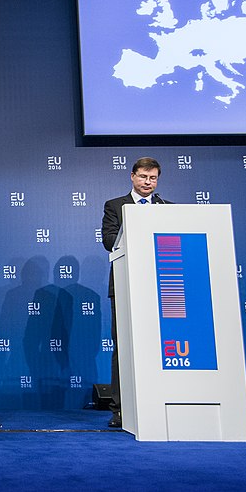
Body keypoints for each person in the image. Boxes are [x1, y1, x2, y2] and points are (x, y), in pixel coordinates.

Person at [101, 157, 171, 428]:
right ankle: (120, 410)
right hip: (125, 285)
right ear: (132, 176)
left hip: (162, 288)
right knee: (124, 348)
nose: (147, 183)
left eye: (153, 178)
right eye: (143, 177)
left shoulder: (167, 208)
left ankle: (160, 401)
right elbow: (109, 241)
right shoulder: (115, 206)